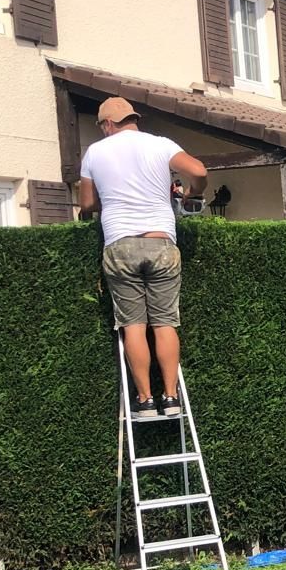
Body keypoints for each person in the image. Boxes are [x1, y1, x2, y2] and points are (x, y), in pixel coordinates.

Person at [77, 96, 208, 421]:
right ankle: (171, 397)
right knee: (164, 322)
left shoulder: (95, 151)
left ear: (107, 124)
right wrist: (191, 192)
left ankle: (146, 401)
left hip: (120, 244)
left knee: (134, 325)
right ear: (133, 119)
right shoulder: (160, 145)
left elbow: (88, 202)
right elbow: (199, 171)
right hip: (161, 242)